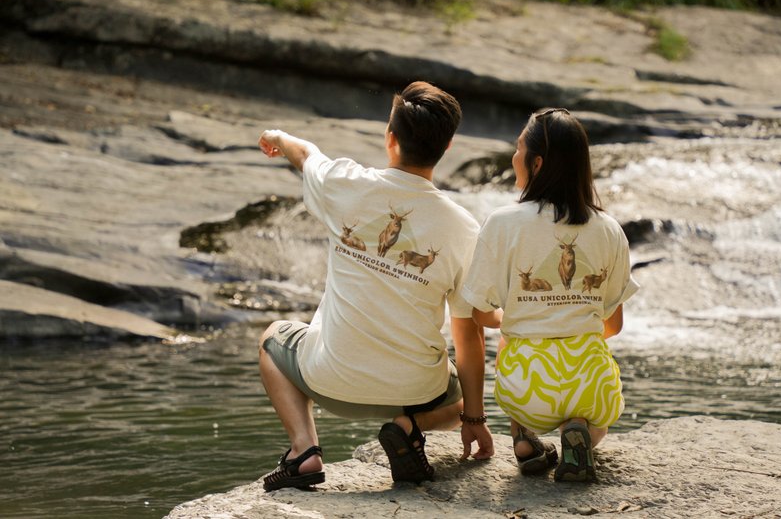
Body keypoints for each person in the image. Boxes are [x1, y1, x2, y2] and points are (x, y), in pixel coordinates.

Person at [256, 81, 494, 492]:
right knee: (456, 399)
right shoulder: (464, 229)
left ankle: (304, 451)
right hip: (417, 393)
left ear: (390, 138)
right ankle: (408, 427)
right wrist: (474, 419)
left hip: (329, 381)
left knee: (271, 339)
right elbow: (468, 333)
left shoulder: (345, 183)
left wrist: (277, 137)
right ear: (448, 147)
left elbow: (306, 153)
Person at [461, 108, 638, 482]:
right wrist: (568, 325)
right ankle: (581, 434)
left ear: (536, 163)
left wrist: (519, 323)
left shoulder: (502, 223)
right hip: (591, 383)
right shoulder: (609, 229)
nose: (513, 157)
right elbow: (614, 325)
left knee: (513, 341)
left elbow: (479, 315)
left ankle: (524, 436)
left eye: (518, 149)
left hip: (526, 388)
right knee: (596, 415)